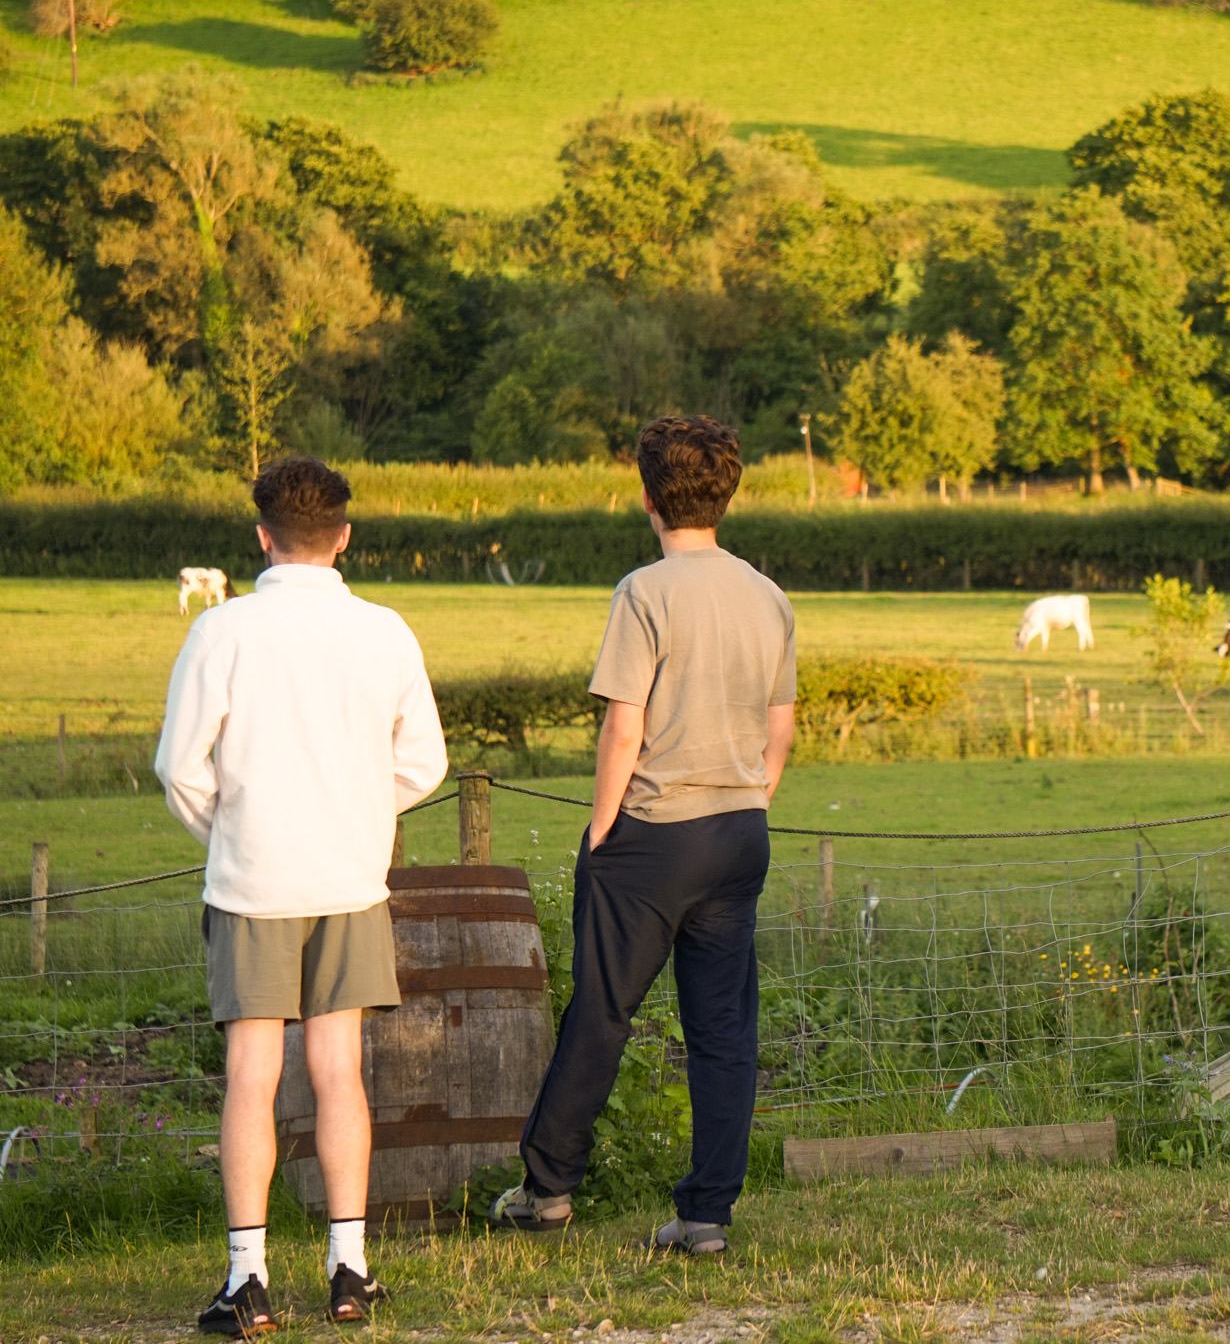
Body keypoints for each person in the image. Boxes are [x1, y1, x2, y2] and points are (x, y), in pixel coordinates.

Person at [155, 456, 448, 1338]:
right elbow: (424, 764)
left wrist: (232, 834)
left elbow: (178, 766)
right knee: (338, 1070)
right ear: (344, 535)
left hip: (253, 881)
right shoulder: (386, 631)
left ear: (261, 535)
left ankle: (248, 1280)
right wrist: (355, 814)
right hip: (350, 879)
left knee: (253, 1073)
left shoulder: (223, 631)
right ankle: (350, 1269)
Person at [491, 415, 797, 1256]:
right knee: (725, 1029)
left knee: (601, 1012)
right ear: (725, 491)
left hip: (655, 834)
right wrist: (748, 797)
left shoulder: (644, 592)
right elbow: (781, 727)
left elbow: (622, 729)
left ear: (649, 497)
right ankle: (707, 1215)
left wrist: (600, 833)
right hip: (741, 832)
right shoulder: (767, 594)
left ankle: (548, 1189)